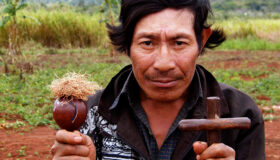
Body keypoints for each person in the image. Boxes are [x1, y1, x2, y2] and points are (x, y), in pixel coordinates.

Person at [51, 0, 265, 159]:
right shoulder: (89, 113)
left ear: (202, 40)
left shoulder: (240, 114)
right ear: (127, 43)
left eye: (179, 42)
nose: (164, 63)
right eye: (147, 43)